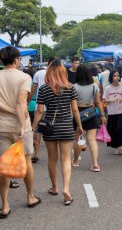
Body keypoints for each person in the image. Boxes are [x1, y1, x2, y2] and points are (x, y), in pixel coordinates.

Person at [32, 60, 83, 206]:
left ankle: (55, 187)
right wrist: (79, 126)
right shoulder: (70, 87)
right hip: (66, 126)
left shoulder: (43, 89)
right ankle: (66, 190)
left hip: (50, 127)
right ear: (63, 72)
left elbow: (40, 111)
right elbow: (74, 110)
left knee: (52, 159)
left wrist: (33, 127)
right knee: (66, 159)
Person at [0, 46, 41, 218]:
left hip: (1, 126)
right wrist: (21, 124)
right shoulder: (25, 77)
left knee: (3, 166)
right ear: (17, 60)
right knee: (26, 162)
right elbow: (21, 102)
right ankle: (30, 197)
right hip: (20, 126)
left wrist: (9, 112)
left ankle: (5, 206)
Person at [72, 65, 107, 172]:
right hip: (91, 113)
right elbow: (98, 102)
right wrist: (102, 115)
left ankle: (76, 161)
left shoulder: (74, 87)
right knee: (92, 139)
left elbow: (72, 106)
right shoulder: (94, 86)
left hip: (78, 113)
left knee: (78, 138)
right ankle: (95, 163)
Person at [28, 57, 55, 163]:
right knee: (52, 128)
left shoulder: (38, 73)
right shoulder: (57, 74)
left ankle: (37, 153)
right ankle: (52, 153)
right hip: (53, 106)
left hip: (39, 105)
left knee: (37, 129)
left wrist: (27, 102)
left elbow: (33, 89)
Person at [103, 70, 122, 156]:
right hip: (111, 112)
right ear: (111, 77)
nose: (117, 77)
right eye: (114, 76)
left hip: (120, 110)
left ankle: (121, 147)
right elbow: (104, 101)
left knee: (119, 128)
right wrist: (111, 100)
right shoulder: (107, 88)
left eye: (118, 76)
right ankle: (117, 147)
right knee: (112, 130)